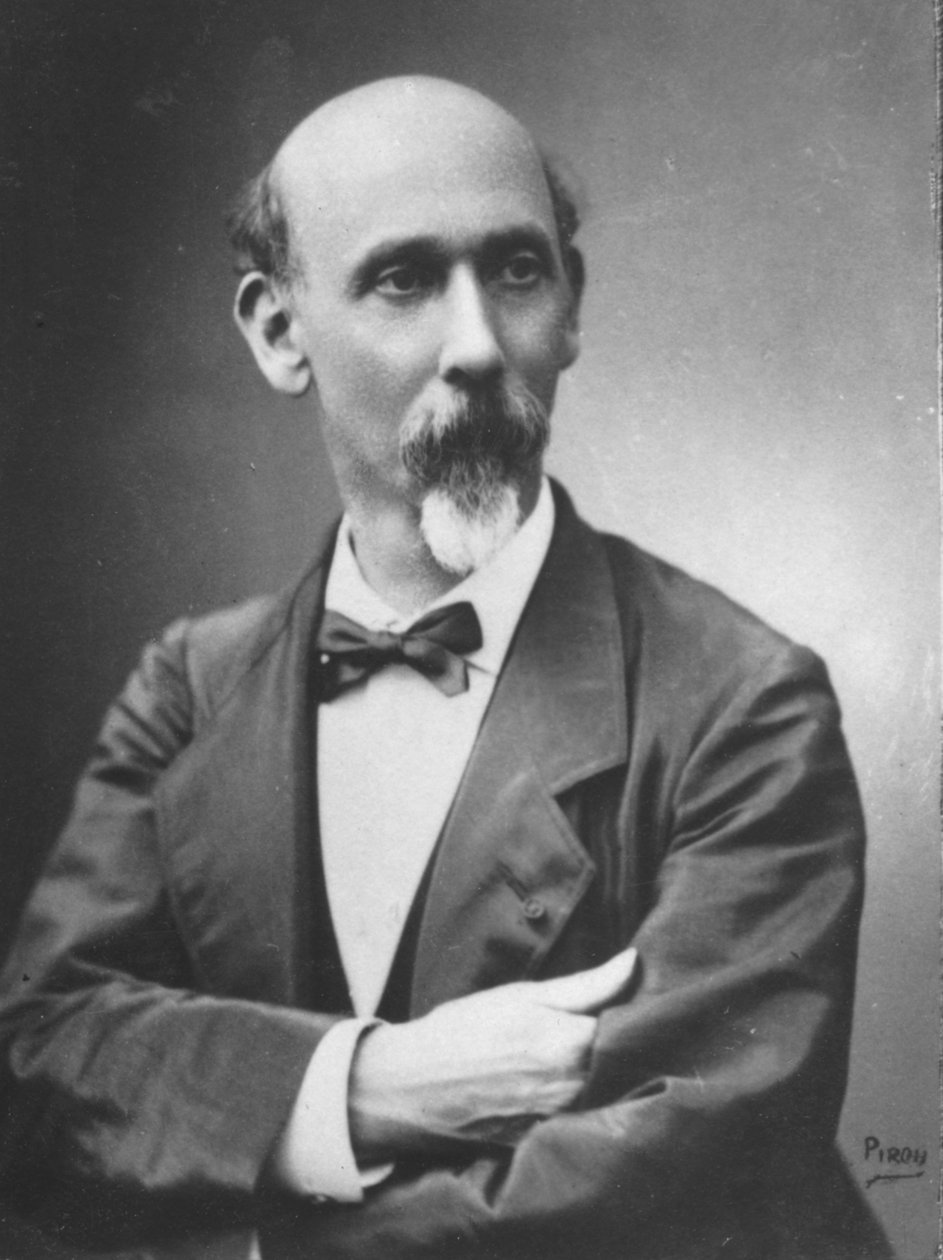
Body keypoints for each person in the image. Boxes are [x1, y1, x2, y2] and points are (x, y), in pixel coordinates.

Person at [0, 77, 890, 1260]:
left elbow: (680, 1167)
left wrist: (251, 1209)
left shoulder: (745, 700)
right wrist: (371, 1083)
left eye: (516, 271)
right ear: (278, 333)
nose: (476, 344)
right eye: (404, 280)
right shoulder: (190, 689)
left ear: (570, 306)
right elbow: (41, 1064)